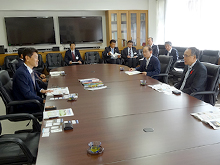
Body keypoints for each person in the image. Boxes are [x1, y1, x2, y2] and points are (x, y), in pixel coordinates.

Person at [13, 48, 52, 113]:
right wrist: (42, 100)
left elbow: (34, 84)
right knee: (54, 105)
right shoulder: (21, 73)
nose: (38, 60)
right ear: (27, 58)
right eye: (36, 57)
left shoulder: (29, 69)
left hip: (32, 99)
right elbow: (27, 94)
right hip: (26, 104)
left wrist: (42, 90)